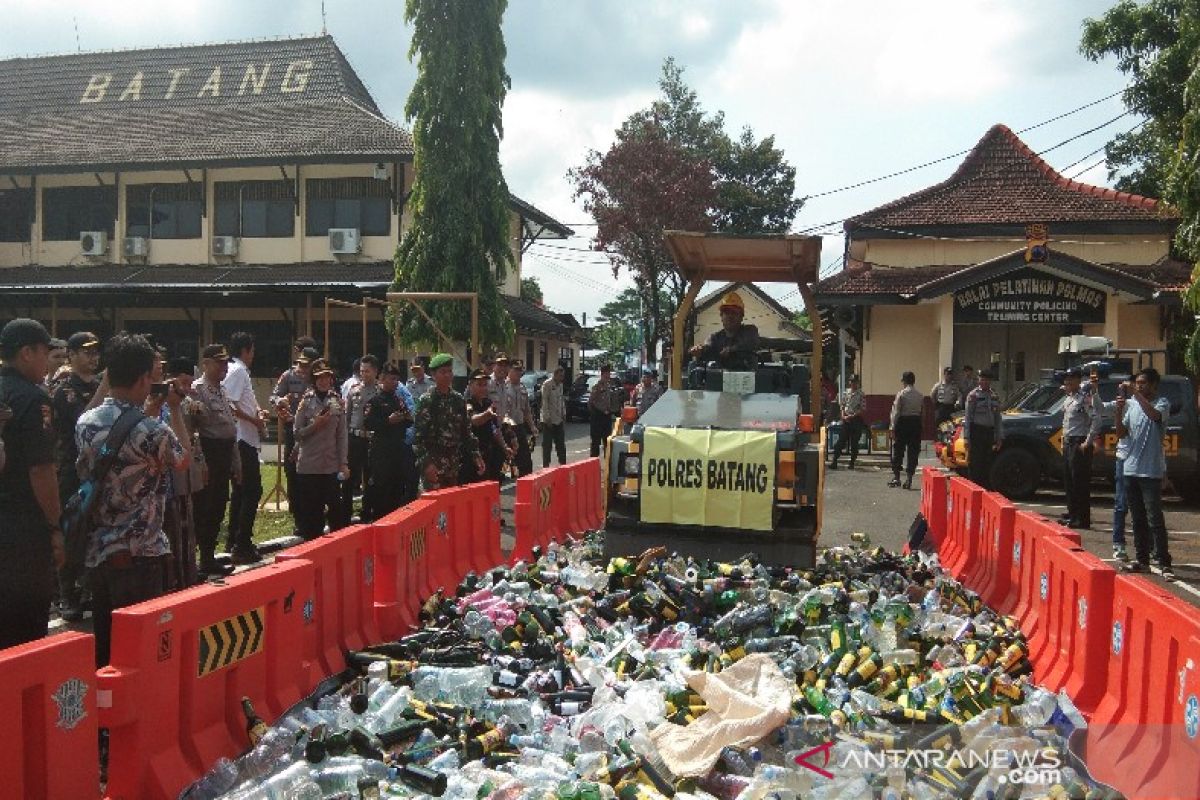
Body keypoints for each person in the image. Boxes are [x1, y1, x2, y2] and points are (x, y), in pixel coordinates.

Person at [76, 332, 189, 666]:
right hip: (141, 553)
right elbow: (182, 461)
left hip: (98, 551)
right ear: (144, 378)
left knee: (106, 649)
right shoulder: (153, 431)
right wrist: (173, 410)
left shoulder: (85, 421)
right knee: (141, 653)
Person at [0, 319, 65, 648]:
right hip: (23, 526)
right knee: (26, 629)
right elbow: (41, 470)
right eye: (45, 352)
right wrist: (54, 526)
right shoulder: (33, 398)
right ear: (27, 353)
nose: (48, 360)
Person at [50, 331, 101, 620]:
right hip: (70, 470)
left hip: (96, 471)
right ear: (71, 355)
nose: (93, 357)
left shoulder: (96, 385)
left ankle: (87, 588)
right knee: (70, 531)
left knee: (93, 530)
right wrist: (105, 388)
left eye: (96, 352)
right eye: (86, 352)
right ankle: (66, 594)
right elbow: (85, 421)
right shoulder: (64, 389)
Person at [1117, 368, 1174, 579]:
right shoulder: (1132, 405)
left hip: (1151, 471)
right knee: (1137, 518)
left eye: (1143, 383)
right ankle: (1142, 561)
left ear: (1153, 385)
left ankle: (1165, 563)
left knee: (1155, 519)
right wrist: (1118, 411)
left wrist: (1135, 395)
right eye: (1137, 383)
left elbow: (1154, 416)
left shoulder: (1162, 403)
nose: (1139, 386)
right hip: (1130, 469)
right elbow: (1121, 433)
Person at [189, 345, 239, 577]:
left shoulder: (222, 390)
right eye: (218, 362)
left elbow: (230, 429)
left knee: (219, 505)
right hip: (208, 452)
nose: (224, 366)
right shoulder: (198, 390)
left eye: (226, 362)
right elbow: (196, 429)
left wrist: (236, 463)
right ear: (206, 364)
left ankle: (208, 557)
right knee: (204, 508)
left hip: (225, 452)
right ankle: (199, 559)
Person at [292, 359, 349, 539]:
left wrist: (343, 463)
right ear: (313, 380)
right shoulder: (305, 402)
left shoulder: (337, 402)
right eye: (319, 378)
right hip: (309, 467)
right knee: (312, 515)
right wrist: (314, 426)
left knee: (336, 512)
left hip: (330, 466)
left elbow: (342, 436)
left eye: (327, 377)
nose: (323, 381)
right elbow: (296, 433)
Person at [223, 331, 266, 564]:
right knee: (252, 490)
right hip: (242, 438)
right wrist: (254, 420)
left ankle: (234, 539)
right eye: (252, 350)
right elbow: (229, 403)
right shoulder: (238, 370)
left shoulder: (236, 370)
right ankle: (242, 542)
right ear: (246, 350)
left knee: (241, 491)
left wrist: (256, 412)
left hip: (245, 437)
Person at [413, 354, 484, 490]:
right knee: (435, 507)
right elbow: (418, 438)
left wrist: (476, 455)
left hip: (453, 464)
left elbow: (466, 432)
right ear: (433, 375)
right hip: (433, 462)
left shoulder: (458, 400)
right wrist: (427, 464)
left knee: (451, 506)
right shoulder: (426, 401)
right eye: (443, 372)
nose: (447, 375)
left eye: (449, 371)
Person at [363, 364, 414, 518]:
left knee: (397, 487)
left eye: (397, 380)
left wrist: (405, 418)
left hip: (398, 450)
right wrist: (388, 421)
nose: (395, 383)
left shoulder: (398, 400)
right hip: (381, 452)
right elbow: (369, 424)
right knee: (381, 488)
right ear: (382, 379)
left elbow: (409, 420)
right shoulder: (375, 402)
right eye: (392, 379)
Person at [272, 346, 316, 508]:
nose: (301, 369)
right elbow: (274, 396)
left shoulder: (320, 379)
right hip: (292, 429)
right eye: (300, 364)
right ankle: (295, 507)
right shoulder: (288, 376)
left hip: (314, 430)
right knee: (291, 468)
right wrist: (280, 401)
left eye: (306, 366)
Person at [1059, 367, 1101, 530]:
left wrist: (1088, 441)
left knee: (1079, 482)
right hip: (1069, 442)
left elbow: (1096, 420)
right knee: (1069, 481)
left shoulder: (1085, 398)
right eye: (1066, 379)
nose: (1067, 382)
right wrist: (1063, 439)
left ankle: (1082, 519)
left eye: (1071, 379)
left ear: (1078, 380)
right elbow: (1066, 422)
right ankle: (1072, 514)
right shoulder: (1069, 399)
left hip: (1079, 442)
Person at [344, 354, 380, 522]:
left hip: (372, 440)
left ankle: (367, 510)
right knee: (350, 475)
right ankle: (345, 511)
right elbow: (347, 416)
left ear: (375, 372)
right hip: (355, 438)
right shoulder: (354, 391)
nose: (363, 374)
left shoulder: (380, 392)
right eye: (361, 371)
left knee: (370, 476)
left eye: (367, 371)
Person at [688, 291, 760, 371]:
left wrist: (731, 350)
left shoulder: (750, 331)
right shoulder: (714, 338)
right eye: (726, 312)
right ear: (721, 316)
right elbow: (707, 349)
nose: (730, 316)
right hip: (720, 381)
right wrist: (699, 351)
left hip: (749, 380)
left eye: (734, 312)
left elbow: (751, 343)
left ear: (741, 316)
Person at [467, 368, 512, 482]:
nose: (483, 388)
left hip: (489, 450)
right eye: (479, 385)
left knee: (492, 484)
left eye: (485, 385)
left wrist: (504, 446)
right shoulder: (467, 402)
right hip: (473, 454)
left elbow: (495, 429)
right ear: (470, 385)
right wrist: (487, 414)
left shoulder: (488, 403)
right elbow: (474, 420)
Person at [963, 369, 1002, 489]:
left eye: (987, 380)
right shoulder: (973, 396)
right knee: (975, 463)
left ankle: (985, 491)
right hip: (977, 432)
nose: (984, 382)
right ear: (978, 380)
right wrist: (966, 437)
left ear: (990, 381)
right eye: (982, 379)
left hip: (989, 433)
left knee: (988, 463)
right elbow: (968, 417)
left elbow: (998, 418)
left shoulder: (994, 395)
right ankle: (975, 489)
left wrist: (999, 437)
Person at [888, 371, 924, 489]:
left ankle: (897, 477)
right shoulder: (920, 395)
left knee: (898, 450)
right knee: (913, 451)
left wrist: (892, 427)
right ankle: (909, 478)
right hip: (916, 423)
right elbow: (922, 412)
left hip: (903, 423)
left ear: (904, 381)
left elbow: (896, 412)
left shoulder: (901, 394)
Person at [505, 360, 538, 477]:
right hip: (506, 428)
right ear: (509, 370)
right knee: (502, 462)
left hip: (519, 427)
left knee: (526, 462)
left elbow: (526, 410)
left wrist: (532, 426)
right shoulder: (503, 387)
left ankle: (525, 486)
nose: (519, 373)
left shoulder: (522, 387)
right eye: (516, 370)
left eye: (520, 370)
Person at [830, 375, 865, 470]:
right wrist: (843, 416)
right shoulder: (846, 392)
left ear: (858, 383)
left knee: (854, 443)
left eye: (855, 382)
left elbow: (862, 409)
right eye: (852, 382)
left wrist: (852, 416)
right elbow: (842, 405)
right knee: (840, 442)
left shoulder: (861, 394)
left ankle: (852, 463)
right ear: (850, 382)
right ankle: (834, 461)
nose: (853, 384)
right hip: (846, 420)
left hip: (855, 420)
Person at [589, 364, 622, 458]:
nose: (608, 376)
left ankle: (607, 465)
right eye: (606, 374)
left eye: (609, 373)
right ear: (602, 374)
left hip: (606, 417)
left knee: (607, 442)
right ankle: (593, 465)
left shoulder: (609, 386)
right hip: (597, 417)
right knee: (595, 443)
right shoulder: (596, 386)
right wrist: (595, 413)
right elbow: (591, 402)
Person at [540, 366, 567, 468]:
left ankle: (563, 465)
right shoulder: (547, 384)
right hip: (549, 420)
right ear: (555, 375)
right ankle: (545, 466)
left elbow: (561, 400)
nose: (562, 378)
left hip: (558, 419)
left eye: (563, 376)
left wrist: (564, 412)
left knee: (561, 445)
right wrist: (547, 418)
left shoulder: (560, 385)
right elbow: (544, 402)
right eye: (560, 376)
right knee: (547, 445)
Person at [487, 354, 510, 421]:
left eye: (505, 366)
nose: (503, 368)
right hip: (490, 427)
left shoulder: (506, 384)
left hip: (502, 427)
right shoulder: (487, 383)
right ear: (493, 366)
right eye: (500, 365)